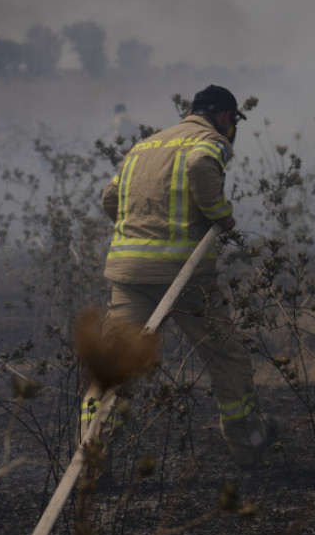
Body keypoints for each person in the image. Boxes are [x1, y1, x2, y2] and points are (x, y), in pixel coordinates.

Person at [81, 85, 277, 469]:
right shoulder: (210, 140)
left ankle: (92, 453)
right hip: (183, 276)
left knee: (114, 364)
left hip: (129, 272)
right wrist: (221, 213)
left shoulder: (145, 145)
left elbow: (109, 198)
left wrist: (138, 233)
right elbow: (200, 166)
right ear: (225, 116)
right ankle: (247, 446)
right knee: (227, 357)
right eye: (231, 121)